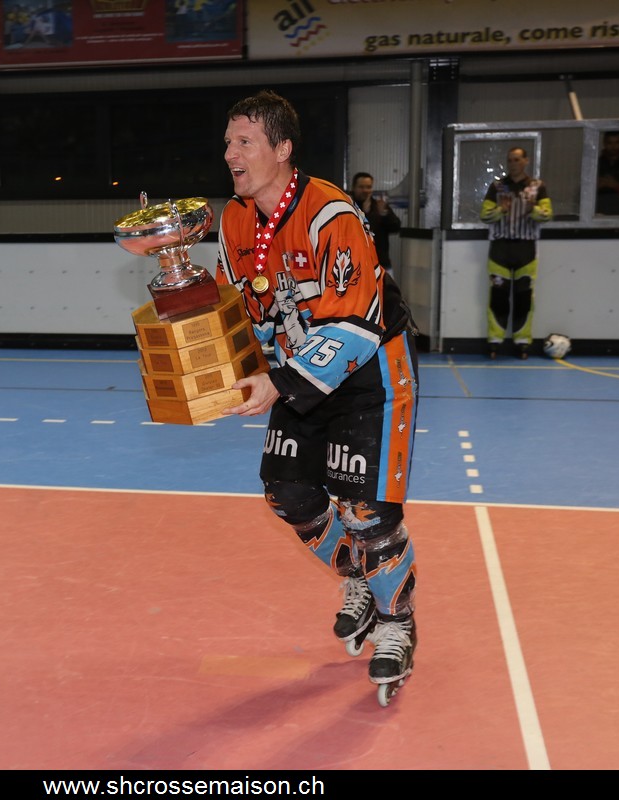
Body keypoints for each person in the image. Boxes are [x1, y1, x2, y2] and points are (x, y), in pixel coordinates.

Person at [215, 89, 420, 707]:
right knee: (289, 494)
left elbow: (355, 320)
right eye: (227, 143)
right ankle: (358, 576)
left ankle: (397, 624)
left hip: (368, 369)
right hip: (297, 370)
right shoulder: (234, 219)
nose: (230, 154)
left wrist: (279, 382)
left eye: (244, 142)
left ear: (282, 149)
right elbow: (232, 306)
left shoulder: (331, 213)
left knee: (365, 510)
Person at [480, 146, 553, 360]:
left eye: (517, 160)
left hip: (526, 250)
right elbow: (484, 215)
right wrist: (501, 210)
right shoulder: (498, 187)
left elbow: (547, 215)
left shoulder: (537, 186)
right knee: (498, 297)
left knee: (524, 298)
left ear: (526, 161)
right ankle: (494, 341)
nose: (513, 164)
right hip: (500, 250)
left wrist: (532, 208)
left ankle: (523, 343)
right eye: (510, 160)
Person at [349, 171, 402, 275]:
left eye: (368, 187)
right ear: (354, 188)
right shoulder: (347, 206)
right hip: (355, 266)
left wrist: (384, 214)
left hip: (381, 264)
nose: (365, 190)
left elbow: (396, 227)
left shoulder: (379, 206)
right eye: (361, 187)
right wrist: (366, 214)